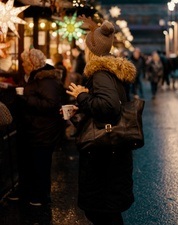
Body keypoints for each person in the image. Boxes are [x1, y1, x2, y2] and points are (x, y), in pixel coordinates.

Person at [66, 19, 137, 225]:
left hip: (104, 156)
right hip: (113, 153)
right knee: (107, 213)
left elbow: (109, 107)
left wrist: (81, 96)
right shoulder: (111, 71)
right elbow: (107, 103)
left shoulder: (100, 73)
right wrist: (85, 104)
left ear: (91, 50)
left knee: (102, 213)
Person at [8, 48, 67, 206]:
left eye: (24, 62)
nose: (21, 65)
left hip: (43, 130)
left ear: (31, 63)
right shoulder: (32, 78)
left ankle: (41, 195)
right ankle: (26, 191)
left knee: (40, 164)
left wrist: (25, 100)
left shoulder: (47, 80)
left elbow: (51, 104)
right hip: (31, 129)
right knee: (27, 162)